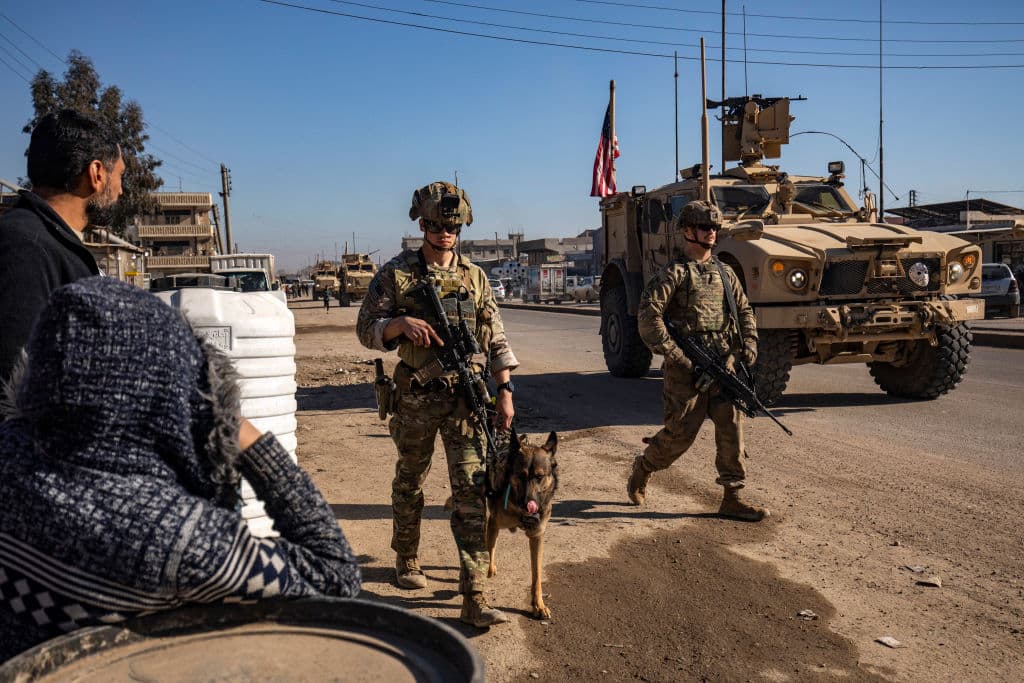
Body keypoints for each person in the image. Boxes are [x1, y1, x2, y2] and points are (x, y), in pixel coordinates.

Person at [0, 277, 361, 661]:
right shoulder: (179, 536)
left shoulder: (10, 454)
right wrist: (240, 434)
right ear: (169, 391)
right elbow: (335, 575)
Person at [356, 181, 518, 629]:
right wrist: (398, 325)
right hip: (415, 399)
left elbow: (496, 338)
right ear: (421, 225)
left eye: (452, 225)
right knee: (411, 481)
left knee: (470, 492)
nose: (444, 232)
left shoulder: (475, 277)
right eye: (434, 225)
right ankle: (407, 557)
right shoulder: (397, 274)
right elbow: (365, 327)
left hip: (465, 400)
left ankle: (475, 595)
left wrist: (504, 391)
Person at [626, 200, 769, 521]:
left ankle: (732, 496)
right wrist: (675, 355)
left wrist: (748, 345)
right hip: (686, 371)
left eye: (716, 228)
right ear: (688, 231)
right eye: (706, 227)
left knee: (732, 429)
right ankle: (644, 467)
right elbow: (649, 317)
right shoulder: (674, 273)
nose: (713, 233)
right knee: (679, 436)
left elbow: (744, 311)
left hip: (724, 364)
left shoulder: (725, 273)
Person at [0, 109, 125, 382]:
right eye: (120, 176)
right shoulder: (28, 248)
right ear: (97, 174)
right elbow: (13, 383)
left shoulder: (47, 240)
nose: (121, 191)